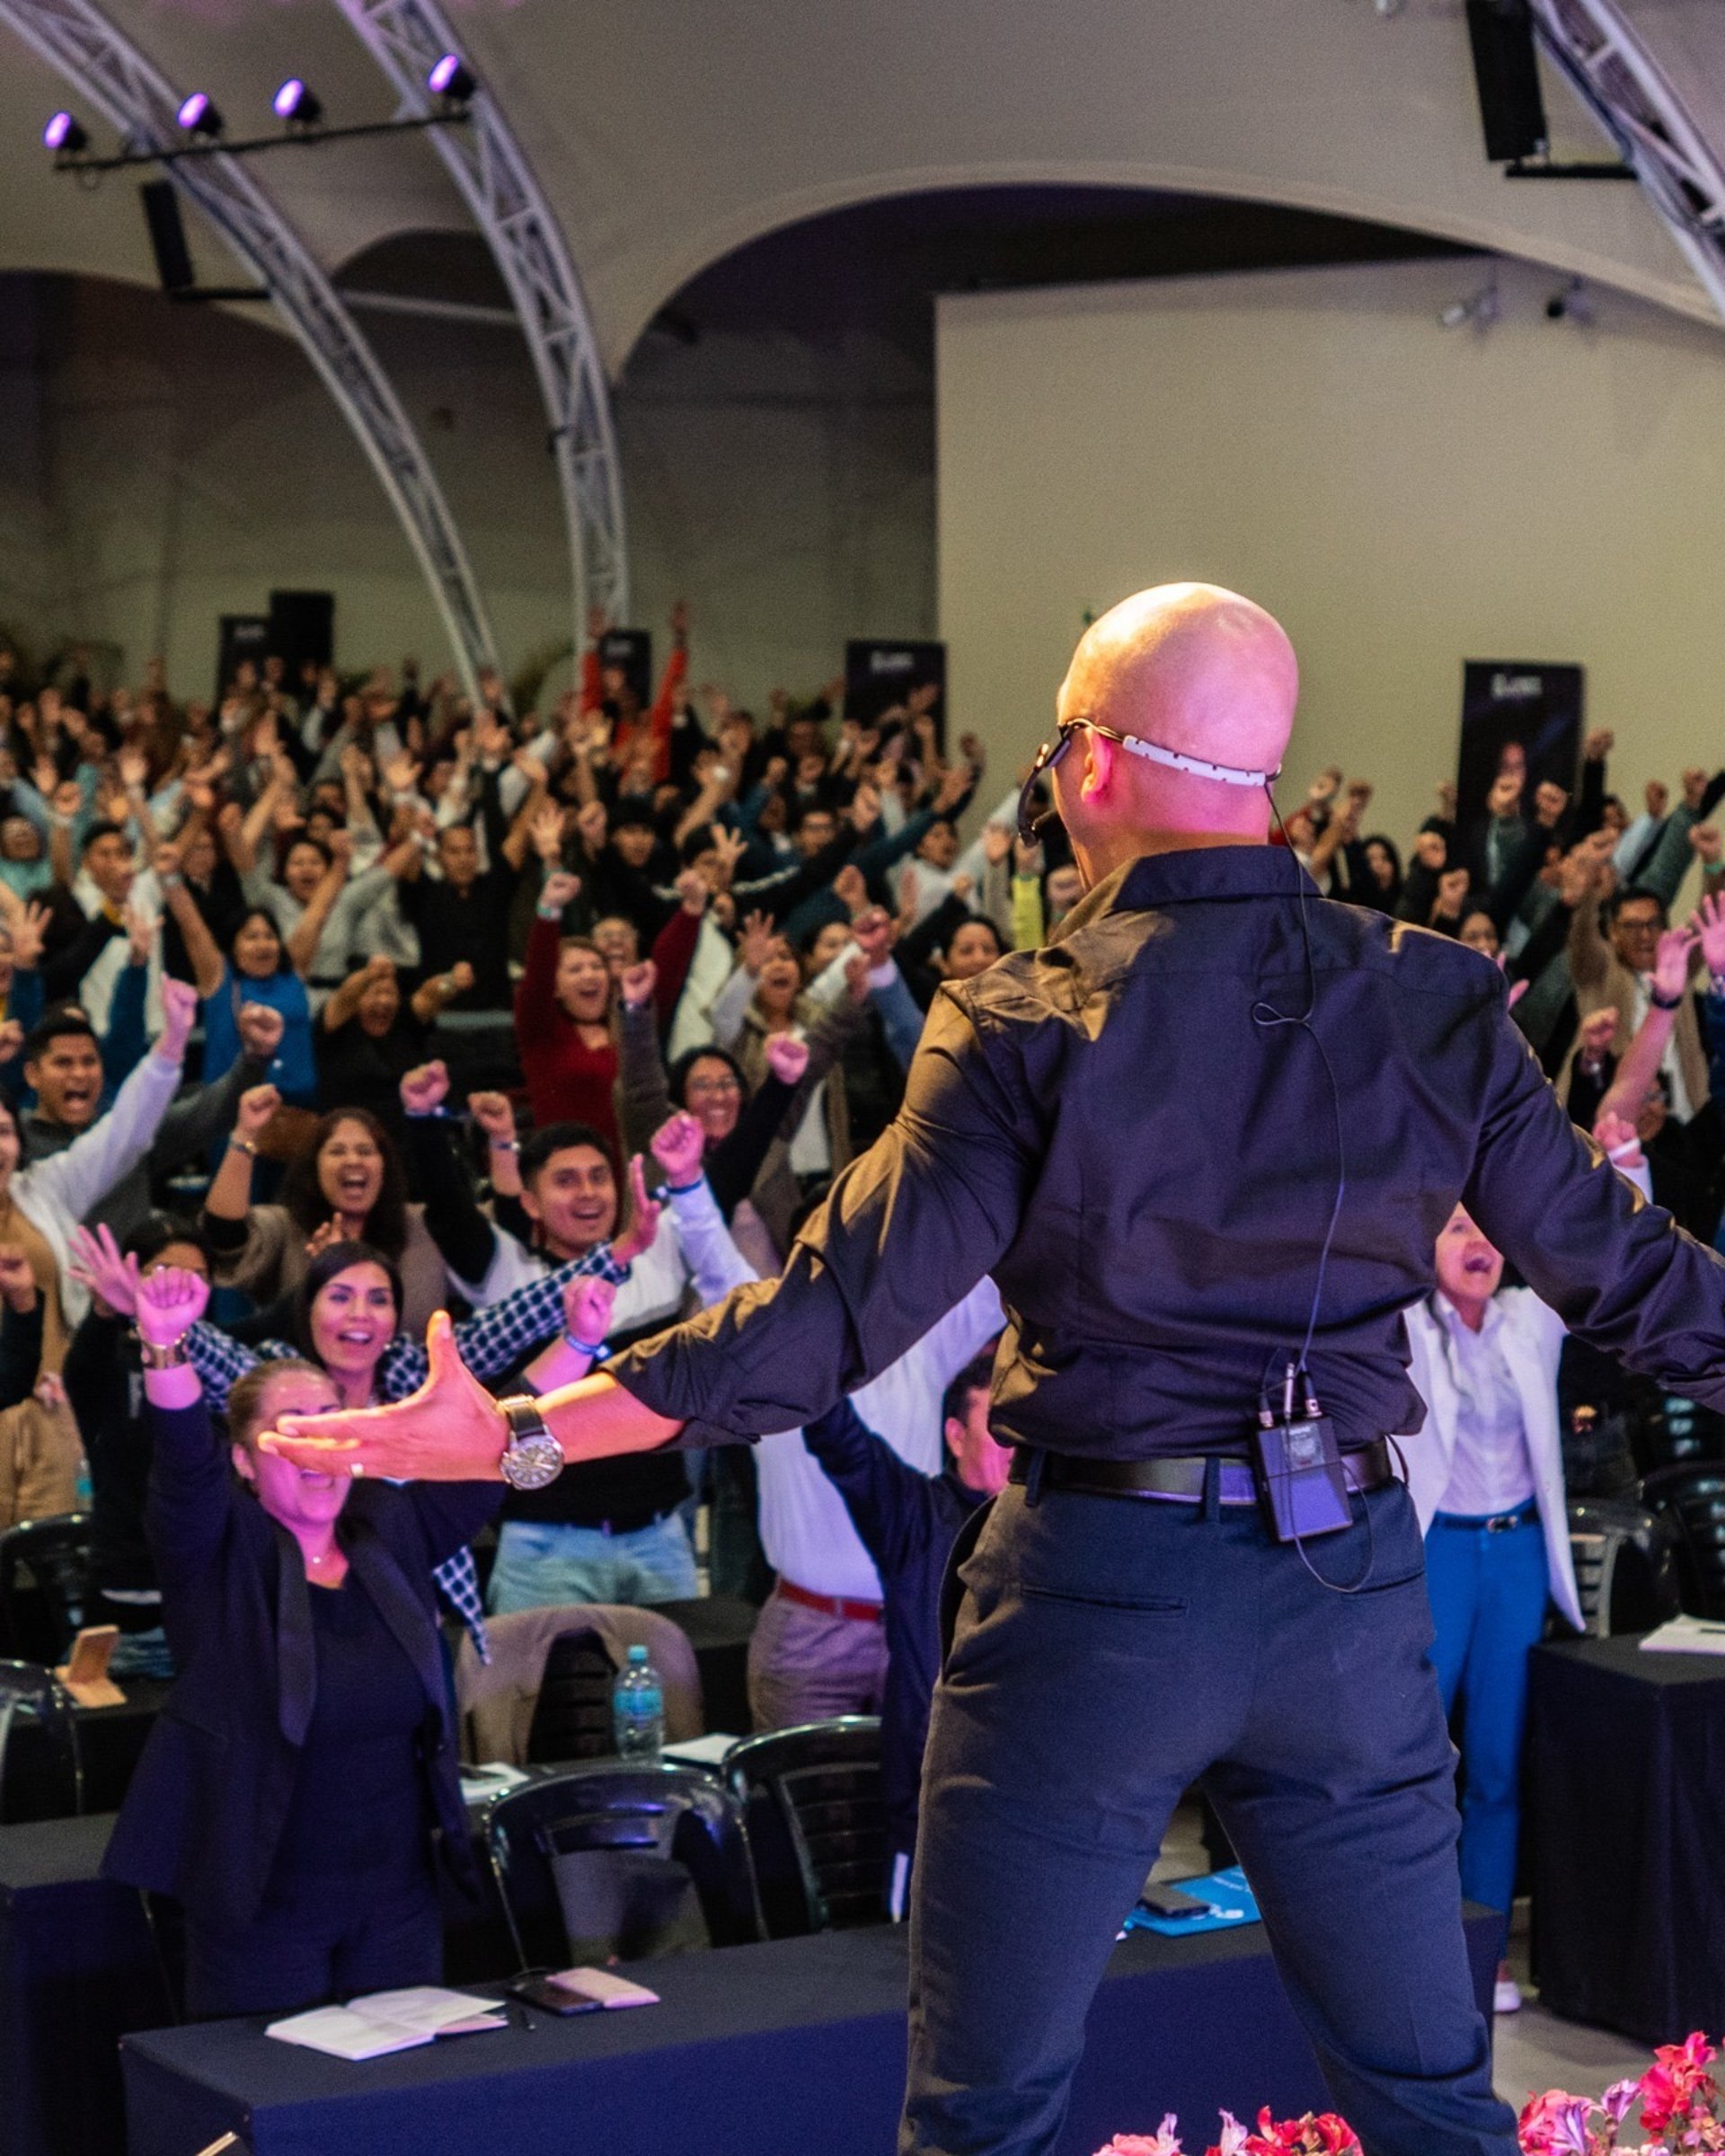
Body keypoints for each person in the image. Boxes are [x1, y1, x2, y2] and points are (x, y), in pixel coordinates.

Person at [283, 582, 1725, 2156]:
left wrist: (517, 1432)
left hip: (1103, 1585)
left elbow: (825, 1323)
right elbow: (1632, 1275)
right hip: (1350, 1588)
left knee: (988, 2116)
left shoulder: (1028, 1018)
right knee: (1432, 2106)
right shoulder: (1435, 993)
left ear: (1092, 760)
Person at [101, 1264, 503, 2019]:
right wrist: (164, 1346)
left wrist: (580, 1345)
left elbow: (492, 1462)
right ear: (244, 1461)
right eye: (292, 1428)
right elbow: (184, 1464)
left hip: (397, 1903)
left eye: (329, 1420)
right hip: (264, 1914)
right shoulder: (218, 1551)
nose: (318, 1441)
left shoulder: (388, 1528)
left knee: (406, 2088)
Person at [1401, 1188, 1605, 2015]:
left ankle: (1484, 1951)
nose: (1477, 1243)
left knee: (1496, 1763)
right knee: (1418, 1760)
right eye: (1457, 1228)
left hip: (1515, 1552)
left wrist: (1624, 1157)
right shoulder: (1409, 1326)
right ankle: (1414, 1946)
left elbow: (1592, 1244)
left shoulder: (1527, 1319)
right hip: (1440, 1551)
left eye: (1488, 1228)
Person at [799, 1350, 1009, 1920]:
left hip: (1024, 1806)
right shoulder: (916, 1516)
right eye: (997, 1432)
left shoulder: (1049, 1529)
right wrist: (807, 1354)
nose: (1014, 1449)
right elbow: (842, 1443)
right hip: (930, 1808)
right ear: (955, 1436)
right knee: (910, 1959)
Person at [201, 1094, 449, 1333]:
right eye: (337, 1151)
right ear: (314, 1168)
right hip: (298, 1363)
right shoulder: (285, 1227)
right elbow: (224, 1236)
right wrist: (245, 1136)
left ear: (385, 1167)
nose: (353, 1160)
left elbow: (471, 1238)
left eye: (365, 1151)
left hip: (413, 1362)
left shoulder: (422, 1226)